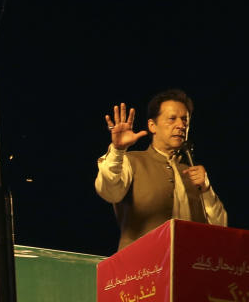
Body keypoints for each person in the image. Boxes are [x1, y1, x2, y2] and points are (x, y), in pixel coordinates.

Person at [95, 89, 227, 251]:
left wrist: (206, 189)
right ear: (152, 125)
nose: (181, 125)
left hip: (189, 265)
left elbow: (221, 228)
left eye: (185, 120)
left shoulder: (193, 173)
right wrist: (117, 150)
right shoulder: (132, 161)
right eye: (172, 119)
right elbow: (109, 192)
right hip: (141, 267)